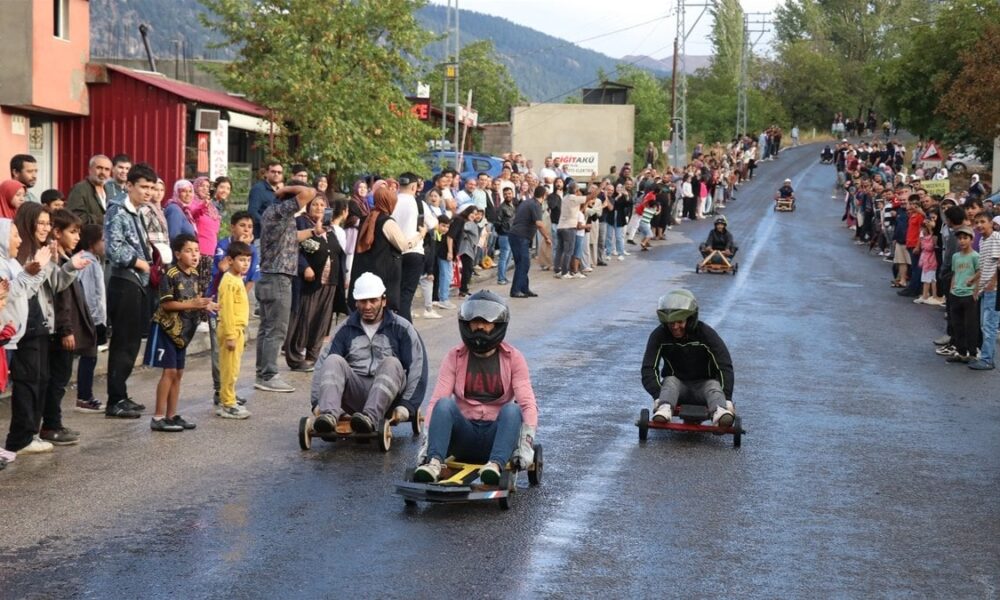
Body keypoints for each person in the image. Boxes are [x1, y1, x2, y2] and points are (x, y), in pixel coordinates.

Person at [413, 290, 539, 484]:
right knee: (443, 404)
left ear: (497, 325)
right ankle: (434, 463)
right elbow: (436, 401)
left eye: (486, 322)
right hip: (464, 438)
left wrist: (526, 444)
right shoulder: (454, 356)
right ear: (466, 324)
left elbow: (528, 404)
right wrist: (426, 444)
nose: (479, 326)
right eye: (475, 321)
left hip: (498, 439)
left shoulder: (514, 358)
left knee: (513, 410)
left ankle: (494, 466)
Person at [310, 272, 427, 435]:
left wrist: (408, 404)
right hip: (355, 394)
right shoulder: (345, 329)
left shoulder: (402, 328)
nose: (367, 306)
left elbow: (417, 367)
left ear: (383, 301)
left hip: (389, 397)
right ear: (356, 303)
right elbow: (322, 365)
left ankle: (369, 418)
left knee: (392, 363)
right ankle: (329, 416)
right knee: (333, 360)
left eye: (373, 300)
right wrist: (317, 402)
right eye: (363, 301)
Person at [144, 233, 217, 432]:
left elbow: (194, 301)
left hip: (182, 334)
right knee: (169, 372)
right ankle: (158, 417)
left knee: (178, 373)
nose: (194, 255)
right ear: (177, 254)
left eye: (197, 251)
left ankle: (172, 415)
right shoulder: (170, 274)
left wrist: (206, 305)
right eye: (188, 251)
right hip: (166, 329)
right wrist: (193, 304)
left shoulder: (194, 274)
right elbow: (167, 304)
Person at [105, 163, 157, 419]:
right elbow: (113, 249)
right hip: (125, 280)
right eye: (143, 187)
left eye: (151, 187)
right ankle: (114, 400)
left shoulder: (137, 211)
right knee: (123, 343)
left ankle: (121, 394)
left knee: (132, 342)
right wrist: (141, 263)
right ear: (129, 185)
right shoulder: (118, 209)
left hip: (137, 282)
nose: (148, 192)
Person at [640, 289, 736, 426]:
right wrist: (657, 395)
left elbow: (724, 365)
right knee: (670, 381)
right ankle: (664, 409)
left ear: (690, 319)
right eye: (671, 323)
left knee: (713, 385)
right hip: (677, 390)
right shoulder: (659, 335)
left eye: (680, 322)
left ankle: (720, 412)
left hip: (704, 387)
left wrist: (727, 398)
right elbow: (648, 368)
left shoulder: (706, 334)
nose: (675, 327)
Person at [254, 184, 316, 393]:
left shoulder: (276, 214)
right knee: (276, 329)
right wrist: (285, 189)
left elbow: (291, 238)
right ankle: (269, 375)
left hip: (270, 276)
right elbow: (310, 192)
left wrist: (313, 231)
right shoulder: (281, 210)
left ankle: (262, 373)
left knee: (266, 329)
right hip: (278, 278)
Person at [45, 210, 95, 446]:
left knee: (60, 379)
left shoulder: (66, 258)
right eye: (72, 232)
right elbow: (60, 299)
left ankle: (55, 423)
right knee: (57, 381)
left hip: (66, 328)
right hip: (61, 331)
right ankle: (50, 425)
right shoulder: (57, 261)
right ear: (57, 232)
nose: (77, 237)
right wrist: (66, 330)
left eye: (79, 233)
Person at [284, 196, 349, 371]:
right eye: (315, 204)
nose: (319, 208)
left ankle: (313, 356)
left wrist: (343, 275)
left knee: (322, 320)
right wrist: (304, 267)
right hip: (309, 282)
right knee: (304, 318)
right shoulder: (301, 223)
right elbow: (292, 248)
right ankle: (295, 357)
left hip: (330, 281)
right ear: (308, 206)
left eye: (322, 205)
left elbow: (338, 252)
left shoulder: (330, 228)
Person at [207, 211, 258, 405]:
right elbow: (222, 268)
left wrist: (240, 300)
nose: (246, 230)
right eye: (242, 225)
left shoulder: (252, 250)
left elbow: (252, 278)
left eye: (250, 227)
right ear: (232, 227)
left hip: (236, 309)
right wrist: (235, 251)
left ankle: (229, 391)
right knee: (220, 351)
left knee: (234, 356)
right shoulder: (223, 245)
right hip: (218, 304)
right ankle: (220, 391)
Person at [349, 186, 425, 313]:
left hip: (365, 272)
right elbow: (403, 245)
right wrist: (420, 235)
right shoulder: (387, 222)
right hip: (383, 275)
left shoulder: (367, 218)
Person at [216, 241, 254, 419]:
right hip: (231, 331)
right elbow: (227, 310)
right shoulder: (228, 281)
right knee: (229, 370)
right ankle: (227, 403)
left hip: (238, 330)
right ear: (230, 260)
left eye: (248, 260)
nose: (245, 264)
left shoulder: (238, 279)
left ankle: (229, 398)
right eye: (241, 260)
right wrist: (231, 335)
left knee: (234, 368)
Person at [73, 224, 106, 413]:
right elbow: (88, 294)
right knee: (89, 356)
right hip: (89, 318)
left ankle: (86, 395)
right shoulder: (87, 262)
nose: (105, 244)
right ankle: (84, 397)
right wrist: (95, 319)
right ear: (92, 242)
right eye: (102, 240)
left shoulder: (94, 260)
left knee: (90, 356)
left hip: (93, 317)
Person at [968, 213, 999, 370]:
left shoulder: (996, 238)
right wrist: (976, 285)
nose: (979, 225)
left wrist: (993, 283)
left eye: (983, 222)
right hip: (985, 289)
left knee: (989, 326)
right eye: (977, 222)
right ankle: (986, 357)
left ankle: (987, 360)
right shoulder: (982, 240)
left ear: (991, 223)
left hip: (994, 290)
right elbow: (983, 266)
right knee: (984, 325)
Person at [508, 185, 550, 298]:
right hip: (520, 236)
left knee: (523, 263)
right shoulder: (535, 205)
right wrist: (547, 237)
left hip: (517, 236)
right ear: (544, 195)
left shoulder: (527, 202)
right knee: (523, 263)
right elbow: (539, 224)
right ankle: (516, 290)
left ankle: (524, 288)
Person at [946, 226, 979, 364]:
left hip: (969, 294)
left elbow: (979, 272)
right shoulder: (956, 256)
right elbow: (955, 274)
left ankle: (972, 353)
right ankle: (961, 352)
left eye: (965, 238)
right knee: (957, 324)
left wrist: (976, 291)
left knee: (970, 325)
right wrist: (951, 289)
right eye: (960, 238)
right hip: (956, 294)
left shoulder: (975, 256)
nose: (962, 241)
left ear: (972, 240)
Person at [66, 155, 112, 226]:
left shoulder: (110, 190)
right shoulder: (79, 189)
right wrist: (103, 219)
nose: (103, 172)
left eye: (107, 169)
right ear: (90, 169)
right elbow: (75, 216)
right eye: (99, 168)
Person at [249, 160, 283, 239]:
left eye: (279, 172)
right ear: (266, 173)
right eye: (273, 171)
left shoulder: (282, 190)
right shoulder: (258, 189)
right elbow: (252, 212)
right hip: (261, 236)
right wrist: (268, 224)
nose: (276, 174)